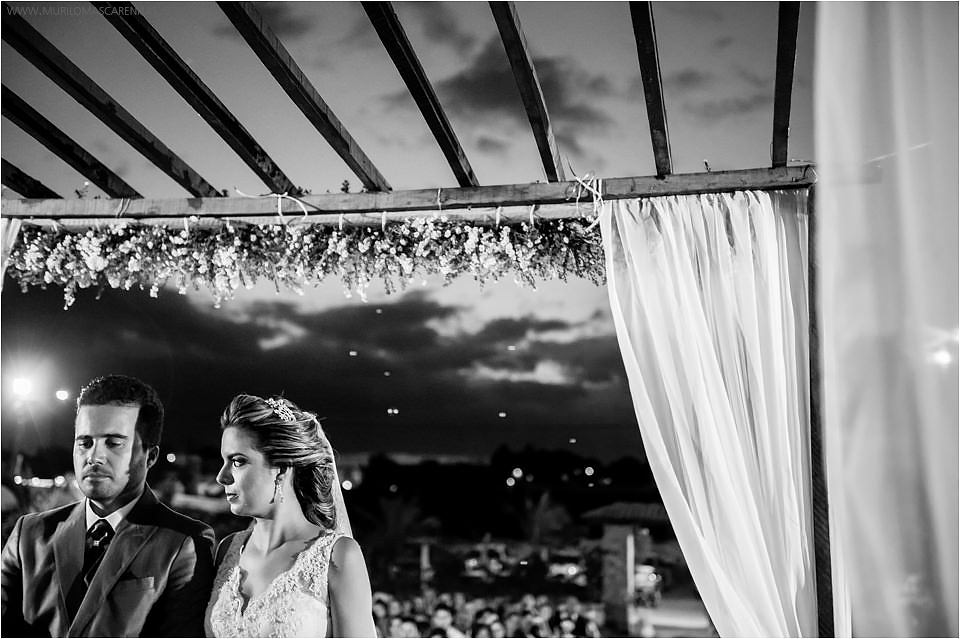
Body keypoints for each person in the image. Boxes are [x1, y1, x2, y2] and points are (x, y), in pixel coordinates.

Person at [0, 374, 215, 636]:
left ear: (150, 456)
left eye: (114, 443)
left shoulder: (184, 542)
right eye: (85, 442)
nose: (94, 457)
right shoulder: (29, 533)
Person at [204, 394, 376, 637]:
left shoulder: (337, 556)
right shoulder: (227, 551)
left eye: (238, 462)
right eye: (224, 461)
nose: (222, 476)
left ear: (282, 469)